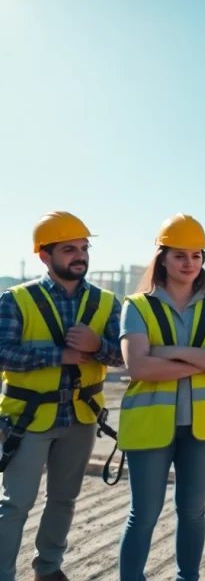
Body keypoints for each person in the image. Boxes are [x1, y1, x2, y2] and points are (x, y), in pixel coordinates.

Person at [118, 213, 205, 581]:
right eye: (179, 256)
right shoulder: (137, 306)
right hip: (149, 424)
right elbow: (139, 367)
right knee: (143, 514)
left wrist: (170, 352)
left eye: (196, 256)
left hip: (203, 426)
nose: (189, 263)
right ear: (162, 258)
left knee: (192, 511)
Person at [0, 212, 124, 581]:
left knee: (64, 498)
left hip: (81, 418)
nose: (80, 255)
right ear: (44, 255)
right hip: (28, 418)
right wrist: (60, 356)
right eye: (69, 249)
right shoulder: (16, 299)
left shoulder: (107, 302)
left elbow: (124, 355)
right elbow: (2, 352)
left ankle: (49, 568)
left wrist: (97, 345)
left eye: (84, 248)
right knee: (15, 504)